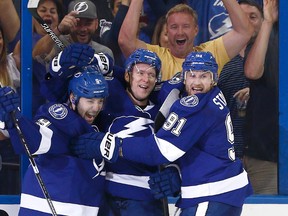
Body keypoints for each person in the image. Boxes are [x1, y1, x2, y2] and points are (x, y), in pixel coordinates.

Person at [72, 51, 253, 216]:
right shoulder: (209, 94)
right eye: (192, 75)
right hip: (221, 190)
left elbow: (161, 150)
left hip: (211, 192)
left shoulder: (196, 105)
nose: (197, 82)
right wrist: (114, 70)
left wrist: (108, 144)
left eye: (204, 76)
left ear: (214, 79)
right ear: (183, 77)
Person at [0, 63, 109, 215]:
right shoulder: (59, 115)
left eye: (100, 101)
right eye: (90, 101)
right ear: (73, 98)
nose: (96, 108)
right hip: (43, 211)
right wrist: (15, 121)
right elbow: (33, 142)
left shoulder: (105, 123)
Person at [89, 49, 164, 215]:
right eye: (140, 72)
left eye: (151, 74)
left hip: (144, 199)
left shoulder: (162, 108)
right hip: (104, 194)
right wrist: (107, 65)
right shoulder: (110, 94)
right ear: (127, 75)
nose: (146, 79)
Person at [118, 0, 253, 81]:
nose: (180, 32)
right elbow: (126, 41)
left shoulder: (210, 53)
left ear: (196, 30)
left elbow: (244, 31)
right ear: (167, 31)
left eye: (186, 26)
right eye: (174, 27)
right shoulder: (156, 57)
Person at [217, 0, 264, 158]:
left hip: (261, 151)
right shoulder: (220, 56)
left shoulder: (273, 56)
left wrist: (256, 92)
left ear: (264, 21)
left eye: (253, 17)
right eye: (243, 17)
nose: (248, 22)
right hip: (226, 150)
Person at [243, 0, 278, 194]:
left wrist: (268, 21)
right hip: (254, 153)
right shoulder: (261, 39)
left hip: (271, 156)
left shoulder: (277, 38)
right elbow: (252, 72)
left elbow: (252, 72)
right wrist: (267, 22)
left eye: (253, 17)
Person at [32, 0, 114, 63]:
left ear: (96, 24)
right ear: (68, 22)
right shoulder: (57, 43)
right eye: (78, 23)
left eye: (88, 23)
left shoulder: (104, 53)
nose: (83, 29)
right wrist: (59, 29)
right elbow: (37, 57)